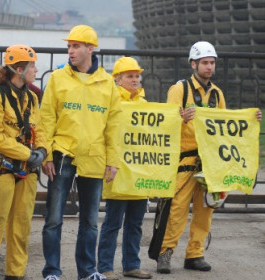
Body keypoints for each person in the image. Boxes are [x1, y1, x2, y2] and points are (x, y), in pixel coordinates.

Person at [156, 41, 262, 274]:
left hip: (210, 162)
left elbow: (225, 125)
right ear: (193, 64)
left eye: (212, 63)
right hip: (185, 161)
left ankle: (195, 254)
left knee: (206, 210)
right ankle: (165, 252)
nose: (209, 67)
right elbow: (166, 123)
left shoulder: (217, 94)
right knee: (177, 210)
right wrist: (181, 118)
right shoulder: (180, 90)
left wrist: (251, 119)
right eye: (204, 62)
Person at [40, 25, 122, 280]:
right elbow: (46, 119)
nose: (70, 51)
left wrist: (113, 160)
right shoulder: (57, 78)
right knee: (53, 219)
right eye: (69, 46)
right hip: (63, 156)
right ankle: (52, 272)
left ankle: (87, 272)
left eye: (76, 46)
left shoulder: (108, 83)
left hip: (94, 158)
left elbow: (115, 125)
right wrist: (47, 155)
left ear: (90, 48)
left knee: (89, 222)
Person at [0, 44, 47, 279]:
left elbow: (39, 127)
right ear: (19, 68)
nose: (36, 70)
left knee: (21, 226)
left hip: (27, 171)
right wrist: (28, 154)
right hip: (3, 169)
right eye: (32, 66)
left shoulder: (31, 97)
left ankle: (15, 274)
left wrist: (43, 150)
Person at [97, 57, 152, 280]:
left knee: (135, 223)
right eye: (130, 76)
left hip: (138, 173)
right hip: (117, 171)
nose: (135, 80)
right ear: (117, 79)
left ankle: (131, 265)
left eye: (137, 76)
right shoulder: (112, 101)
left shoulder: (145, 105)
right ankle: (105, 267)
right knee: (112, 222)